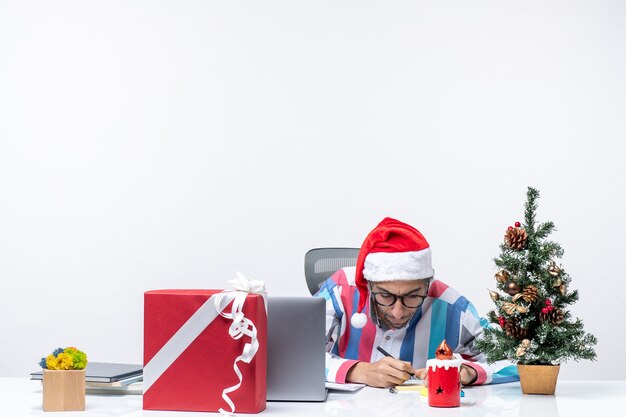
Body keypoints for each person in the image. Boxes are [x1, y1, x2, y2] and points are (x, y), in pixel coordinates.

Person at [315, 217, 518, 388]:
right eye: (385, 296)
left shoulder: (453, 307)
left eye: (413, 296)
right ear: (369, 285)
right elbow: (294, 357)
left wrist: (469, 372)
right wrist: (358, 371)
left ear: (427, 284)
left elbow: (518, 361)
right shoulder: (341, 289)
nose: (397, 312)